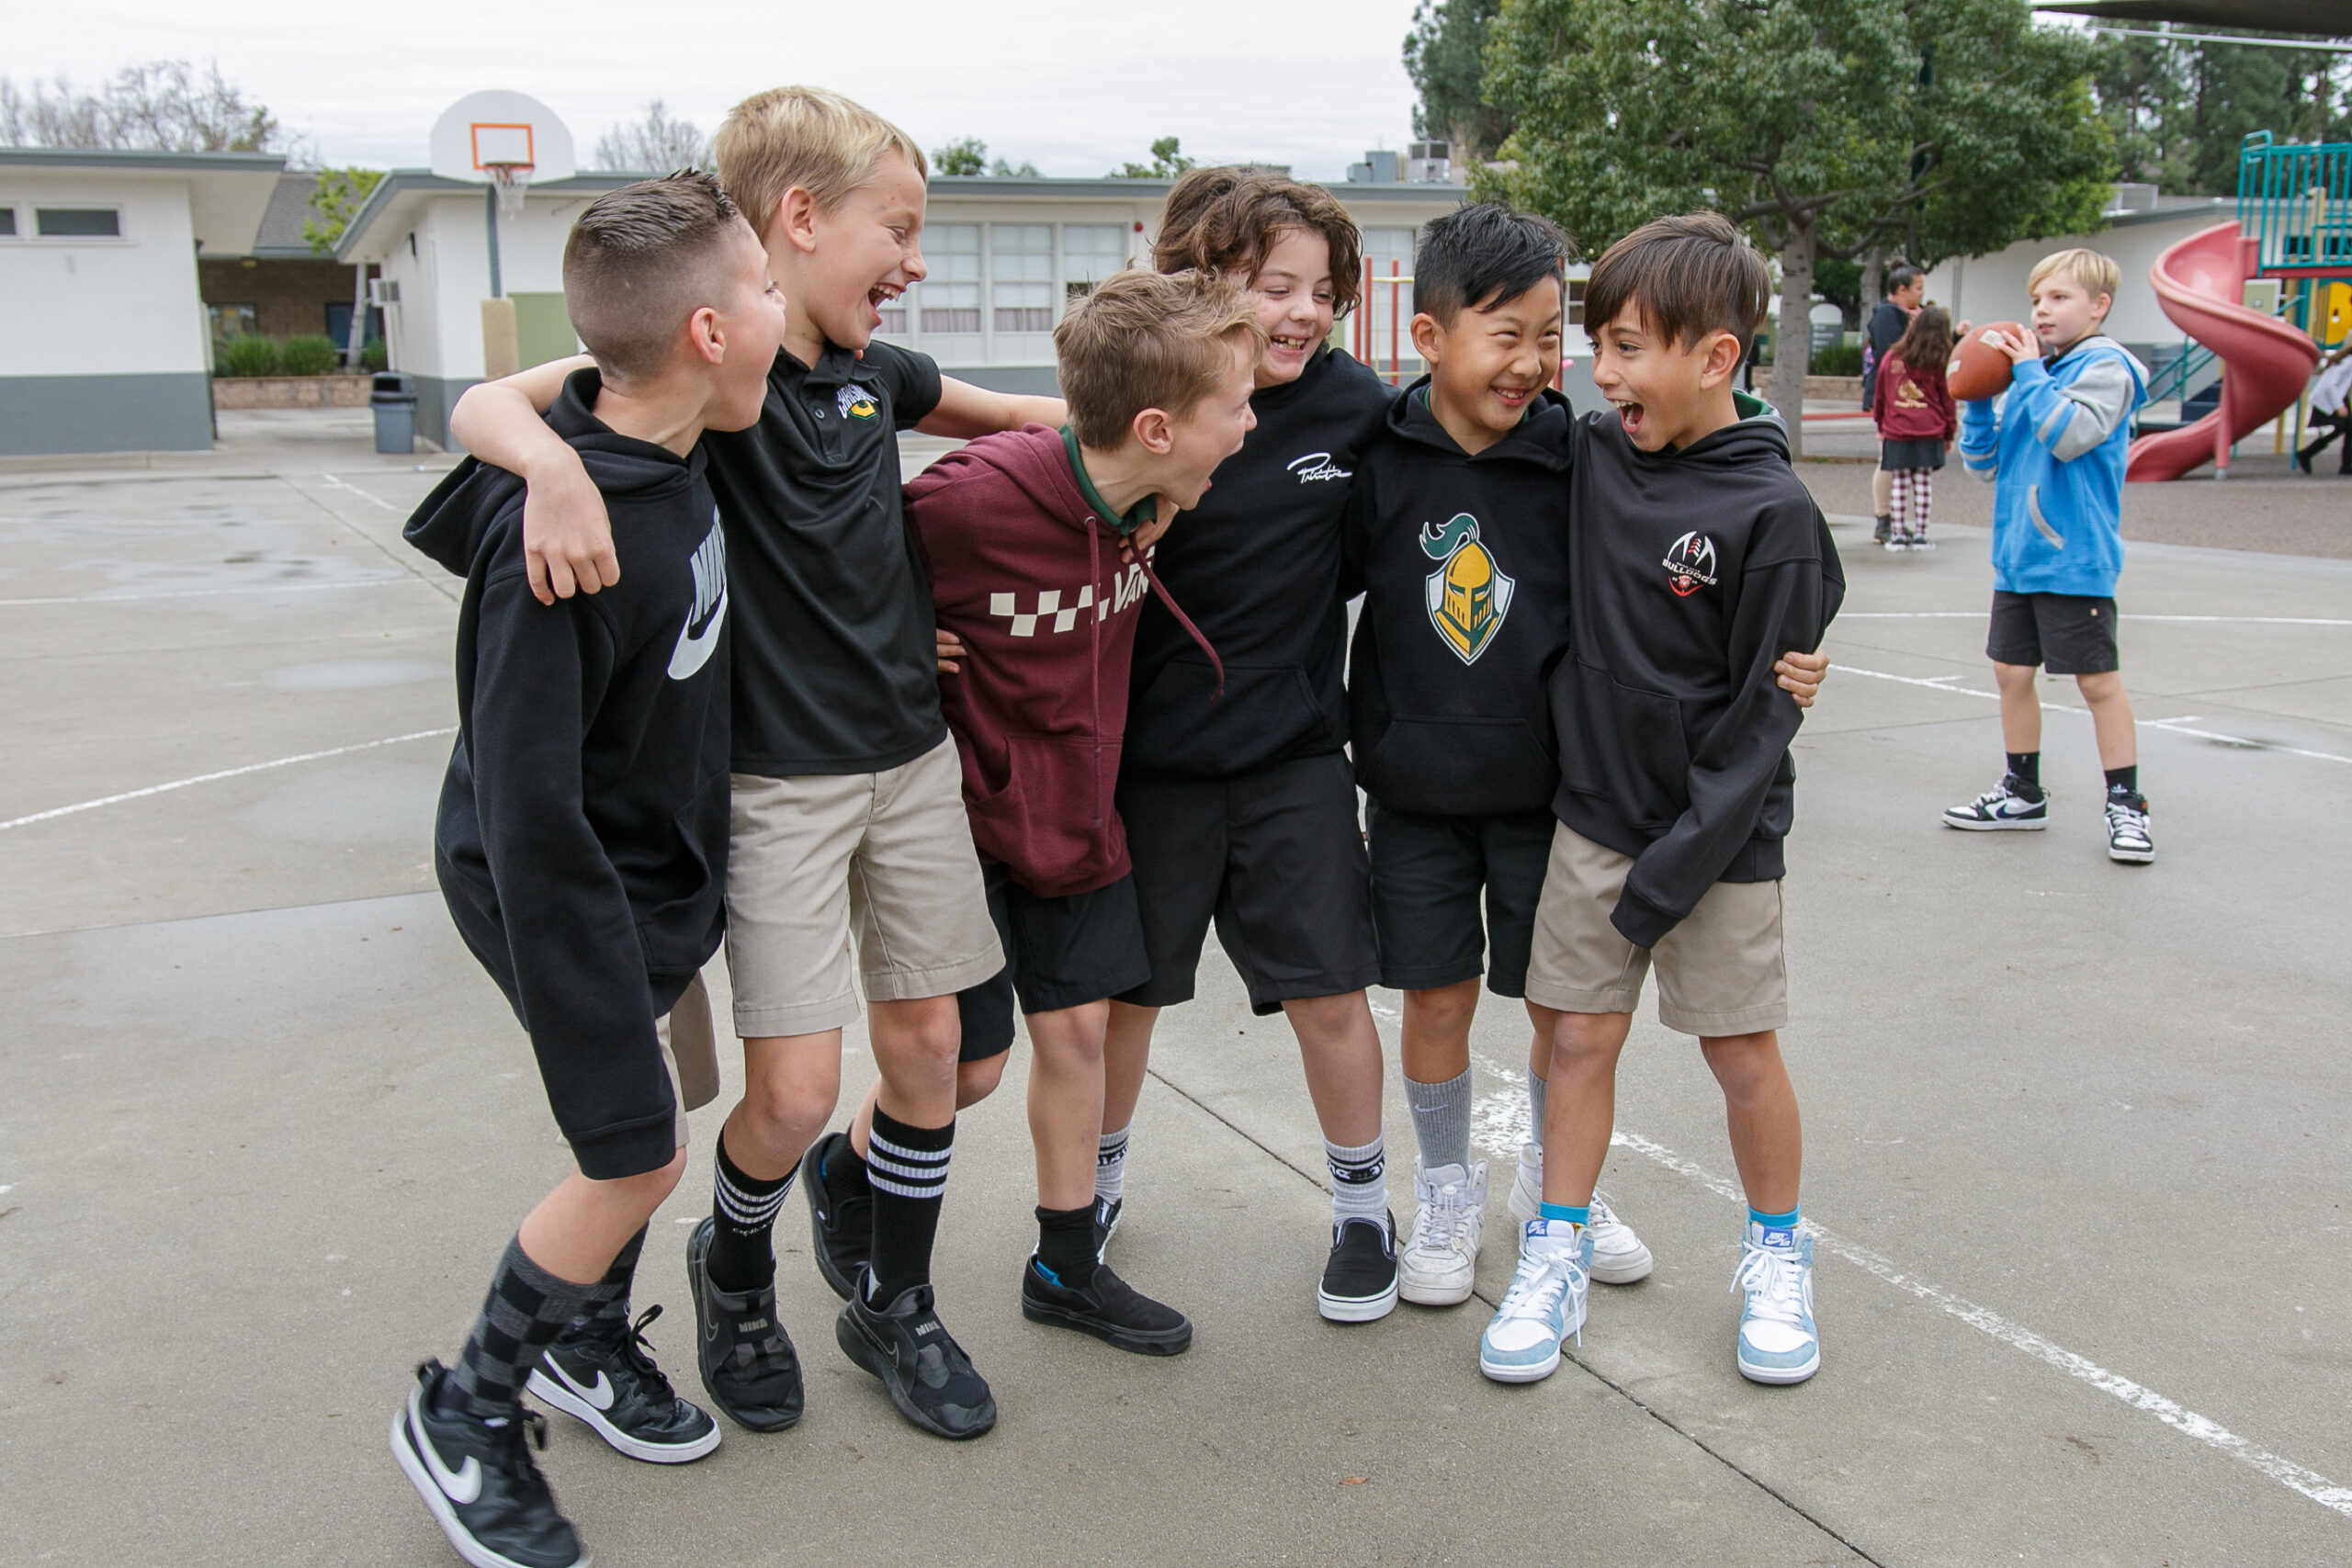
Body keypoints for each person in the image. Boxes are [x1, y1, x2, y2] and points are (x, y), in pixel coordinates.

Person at [445, 86, 1074, 1445]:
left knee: (942, 1061)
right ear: (796, 221)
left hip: (909, 762)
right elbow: (486, 399)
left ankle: (890, 1301)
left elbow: (1010, 418)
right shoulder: (714, 379)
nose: (913, 261)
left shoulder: (878, 372)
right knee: (788, 1091)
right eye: (896, 227)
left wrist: (1158, 410)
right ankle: (734, 1270)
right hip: (776, 784)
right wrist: (550, 466)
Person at [390, 173, 787, 1568]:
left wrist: (546, 447)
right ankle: (468, 1407)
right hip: (556, 886)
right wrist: (594, 966)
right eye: (763, 292)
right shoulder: (557, 538)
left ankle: (583, 1338)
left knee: (647, 1124)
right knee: (636, 1148)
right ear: (707, 331)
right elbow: (520, 799)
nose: (781, 311)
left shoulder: (636, 434)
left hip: (648, 873)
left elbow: (561, 372)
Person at [1348, 205, 1833, 1311]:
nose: (1538, 363)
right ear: (1428, 338)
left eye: (1549, 336)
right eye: (1503, 335)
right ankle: (1448, 1193)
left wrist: (1792, 656)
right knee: (1438, 1003)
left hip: (1556, 796)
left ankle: (1548, 1195)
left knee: (1567, 1022)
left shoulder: (1579, 449)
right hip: (1419, 790)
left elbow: (1736, 493)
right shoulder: (1385, 452)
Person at [1480, 212, 1843, 1389]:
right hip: (1595, 817)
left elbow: (1762, 714)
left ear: (1718, 358)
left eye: (1631, 347)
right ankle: (1558, 1249)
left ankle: (1778, 1258)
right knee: (1578, 1040)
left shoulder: (1773, 514)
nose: (1604, 371)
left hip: (1719, 841)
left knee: (1741, 1054)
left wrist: (1678, 865)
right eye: (1601, 344)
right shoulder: (1594, 453)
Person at [901, 268, 1261, 1354]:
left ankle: (1065, 1262)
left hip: (1077, 814)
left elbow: (1132, 479)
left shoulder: (1147, 495)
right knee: (965, 1071)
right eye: (1235, 407)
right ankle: (845, 1166)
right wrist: (889, 641)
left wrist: (1157, 504)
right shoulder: (971, 499)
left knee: (1082, 1032)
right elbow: (825, 562)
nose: (1250, 424)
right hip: (967, 825)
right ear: (1156, 426)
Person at [1100, 170, 1407, 1323]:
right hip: (1148, 772)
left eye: (1320, 290)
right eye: (1274, 285)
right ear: (1198, 280)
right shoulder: (1143, 400)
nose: (1301, 311)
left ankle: (1363, 1209)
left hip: (1291, 766)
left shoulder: (1355, 409)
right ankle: (1095, 1193)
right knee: (1124, 1001)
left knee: (1332, 995)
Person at [1942, 248, 2153, 866]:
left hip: (2075, 560)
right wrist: (1978, 394)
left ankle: (2125, 803)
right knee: (2011, 673)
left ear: (2099, 306)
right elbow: (1985, 467)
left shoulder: (2107, 367)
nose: (2042, 310)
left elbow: (2069, 437)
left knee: (2097, 682)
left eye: (2059, 298)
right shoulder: (2036, 373)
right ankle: (2022, 792)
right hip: (2018, 557)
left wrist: (2028, 374)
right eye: (2037, 299)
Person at [1869, 305, 1956, 552]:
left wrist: (1880, 423)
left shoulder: (1893, 356)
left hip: (1896, 428)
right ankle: (1921, 533)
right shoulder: (1939, 360)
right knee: (1923, 482)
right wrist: (1949, 432)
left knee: (1899, 482)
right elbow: (1947, 400)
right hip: (1929, 428)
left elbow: (1881, 395)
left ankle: (1896, 534)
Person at [1862, 264, 1924, 543]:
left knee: (1893, 459)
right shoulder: (1888, 316)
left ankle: (1892, 520)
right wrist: (1914, 328)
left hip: (1897, 394)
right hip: (1889, 395)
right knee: (1888, 458)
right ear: (1902, 290)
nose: (1921, 295)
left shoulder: (1896, 315)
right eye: (1918, 289)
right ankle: (1883, 519)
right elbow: (1893, 355)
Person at [2294, 337, 2352, 475]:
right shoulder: (2348, 362)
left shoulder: (2345, 359)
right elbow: (2331, 385)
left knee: (2343, 430)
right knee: (2347, 429)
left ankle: (2308, 454)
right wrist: (2338, 406)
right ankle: (2307, 454)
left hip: (2333, 398)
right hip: (2331, 399)